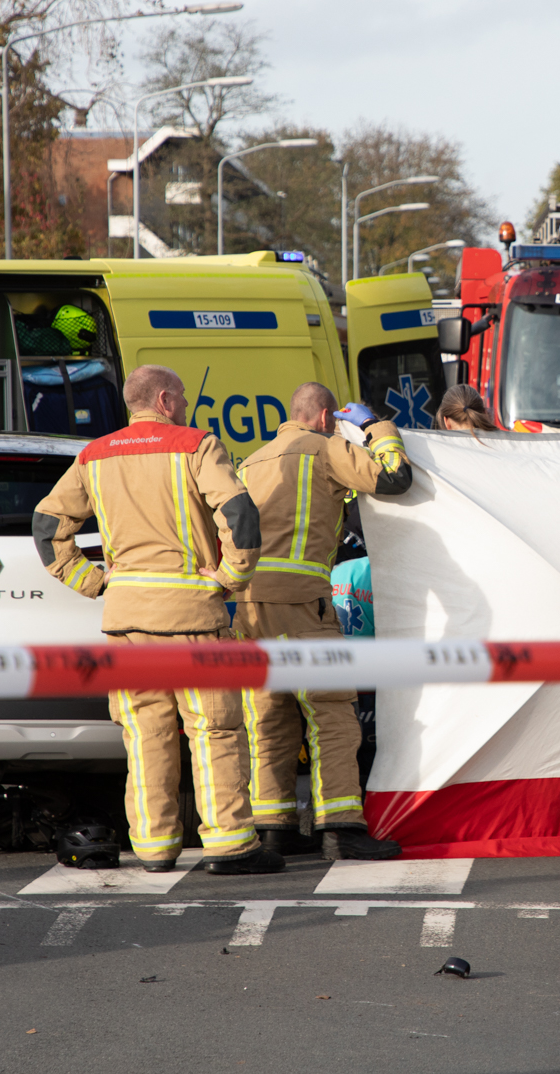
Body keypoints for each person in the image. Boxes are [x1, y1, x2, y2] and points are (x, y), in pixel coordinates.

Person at [33, 365, 281, 875]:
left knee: (146, 734)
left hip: (126, 622)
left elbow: (47, 526)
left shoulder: (94, 455)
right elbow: (239, 514)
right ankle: (231, 845)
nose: (187, 406)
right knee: (215, 730)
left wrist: (94, 581)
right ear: (165, 400)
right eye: (184, 397)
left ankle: (153, 848)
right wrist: (232, 575)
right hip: (193, 615)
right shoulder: (196, 445)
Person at [234, 382, 413, 860]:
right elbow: (395, 478)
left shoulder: (251, 460)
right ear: (328, 416)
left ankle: (274, 827)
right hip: (303, 604)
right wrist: (376, 428)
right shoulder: (326, 448)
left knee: (269, 715)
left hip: (250, 606)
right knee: (330, 713)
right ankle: (340, 826)